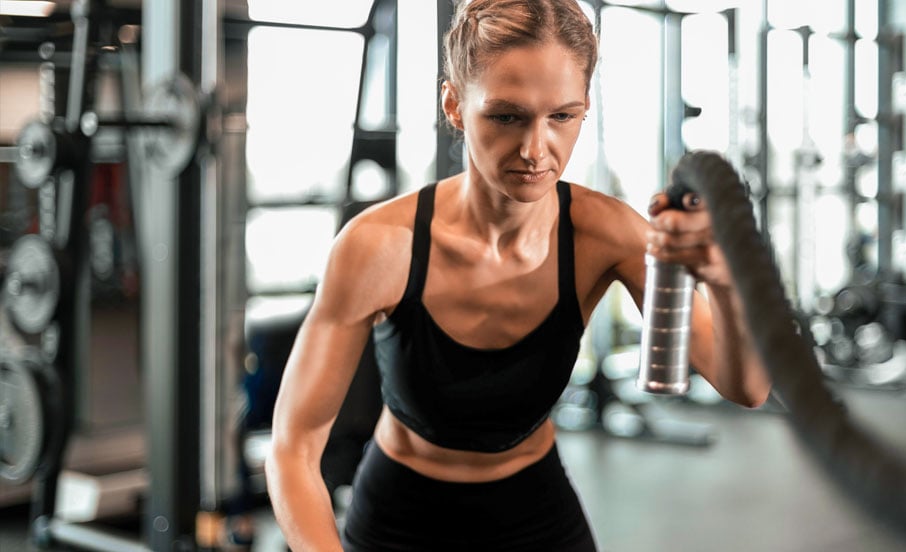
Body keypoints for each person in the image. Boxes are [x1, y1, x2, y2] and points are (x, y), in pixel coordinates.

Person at [265, 0, 771, 550]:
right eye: (506, 116)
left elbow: (745, 386)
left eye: (561, 116)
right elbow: (294, 447)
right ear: (454, 105)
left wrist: (723, 282)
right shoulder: (379, 247)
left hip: (535, 513)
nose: (536, 150)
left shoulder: (607, 234)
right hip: (400, 515)